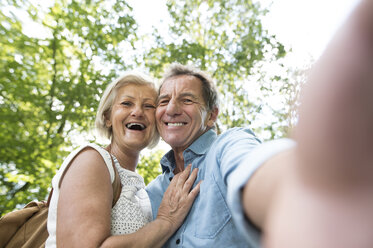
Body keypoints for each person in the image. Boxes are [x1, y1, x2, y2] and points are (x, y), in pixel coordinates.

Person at [146, 0, 373, 247]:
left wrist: (311, 195)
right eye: (164, 101)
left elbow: (255, 168)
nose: (171, 109)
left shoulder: (228, 147)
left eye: (186, 99)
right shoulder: (153, 192)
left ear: (212, 116)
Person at [45, 72, 201, 247]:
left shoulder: (143, 191)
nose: (137, 112)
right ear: (107, 117)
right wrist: (166, 222)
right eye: (127, 103)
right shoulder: (91, 160)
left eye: (149, 106)